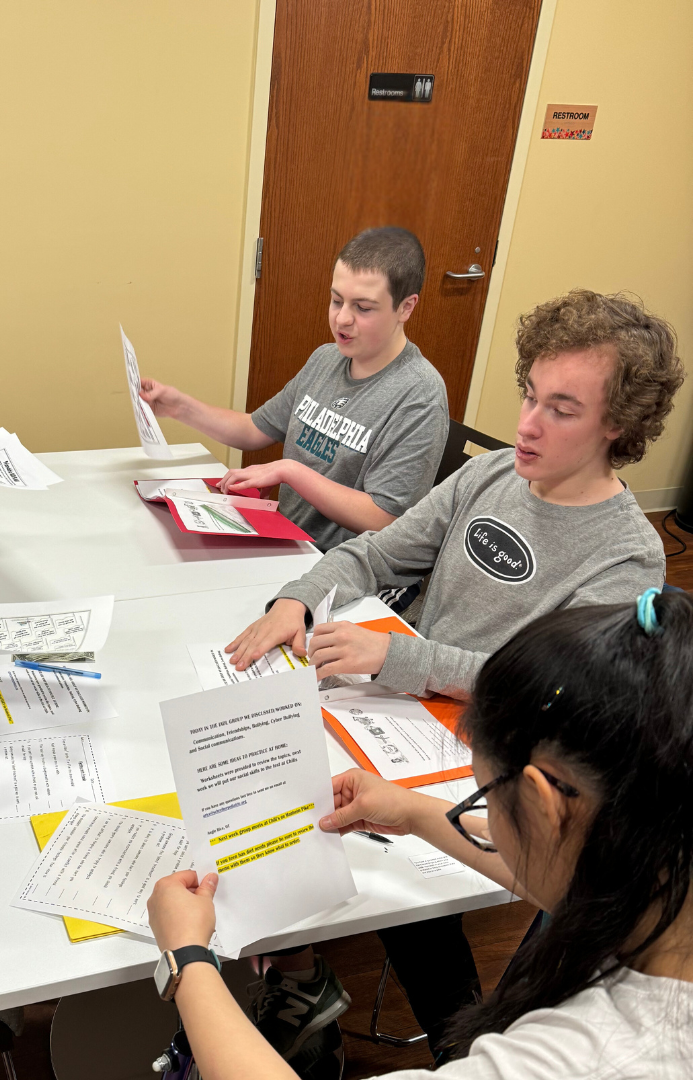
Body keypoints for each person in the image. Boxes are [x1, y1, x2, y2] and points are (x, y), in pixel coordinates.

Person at [220, 288, 683, 1071]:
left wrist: (400, 657)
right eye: (530, 395)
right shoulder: (495, 473)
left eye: (562, 409)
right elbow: (376, 550)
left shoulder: (627, 556)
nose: (529, 423)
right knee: (281, 791)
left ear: (618, 426)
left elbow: (558, 693)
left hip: (494, 756)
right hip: (400, 714)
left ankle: (451, 1040)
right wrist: (297, 596)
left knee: (403, 886)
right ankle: (299, 979)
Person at [148, 590, 693, 1079]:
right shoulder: (663, 861)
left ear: (547, 804)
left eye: (483, 796)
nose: (486, 822)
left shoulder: (587, 1057)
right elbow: (581, 873)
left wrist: (188, 960)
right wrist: (410, 811)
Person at [139, 227, 449, 553]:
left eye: (364, 308)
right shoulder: (325, 359)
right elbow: (254, 429)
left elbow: (385, 518)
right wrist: (178, 406)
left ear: (406, 307)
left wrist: (289, 471)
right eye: (336, 300)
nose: (342, 318)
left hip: (346, 565)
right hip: (289, 539)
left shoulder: (420, 395)